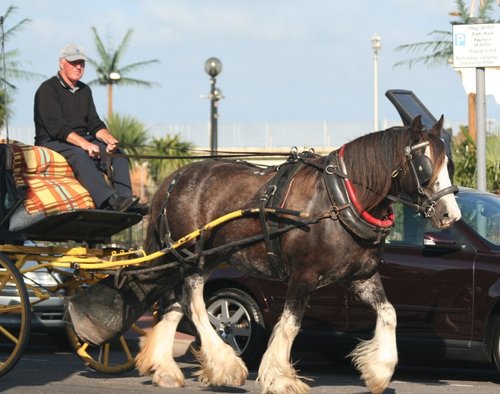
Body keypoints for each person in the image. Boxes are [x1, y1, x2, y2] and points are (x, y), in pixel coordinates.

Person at [34, 44, 146, 214]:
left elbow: (94, 124)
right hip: (52, 141)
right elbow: (57, 128)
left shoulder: (85, 90)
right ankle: (109, 200)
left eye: (82, 63)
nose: (78, 67)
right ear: (61, 63)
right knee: (79, 155)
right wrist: (84, 144)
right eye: (74, 63)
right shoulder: (47, 90)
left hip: (80, 139)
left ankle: (126, 200)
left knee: (118, 155)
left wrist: (108, 139)